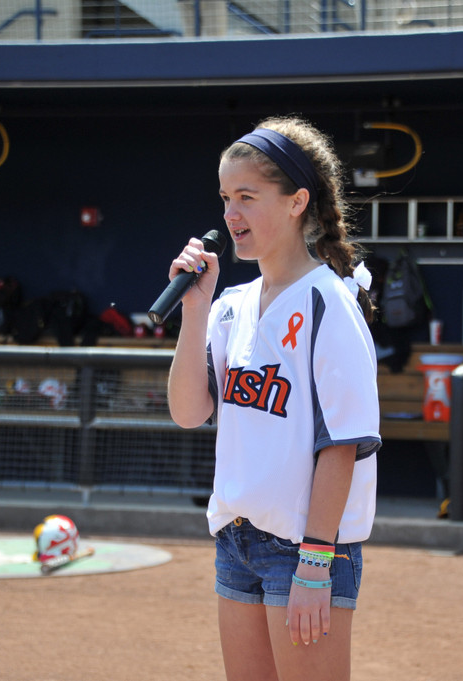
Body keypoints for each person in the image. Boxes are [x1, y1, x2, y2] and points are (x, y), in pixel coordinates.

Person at [166, 115, 381, 681]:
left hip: (305, 549)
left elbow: (343, 445)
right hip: (236, 538)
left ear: (296, 202)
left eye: (247, 197)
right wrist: (195, 308)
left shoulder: (328, 302)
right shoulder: (229, 304)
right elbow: (189, 412)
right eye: (224, 199)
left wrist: (315, 563)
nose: (230, 215)